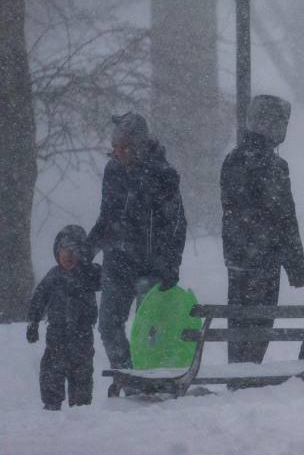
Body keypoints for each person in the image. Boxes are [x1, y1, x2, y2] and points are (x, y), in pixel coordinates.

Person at [87, 112, 187, 371]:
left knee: (150, 329)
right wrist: (88, 248)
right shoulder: (113, 171)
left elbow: (176, 225)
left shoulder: (162, 174)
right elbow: (107, 216)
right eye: (114, 148)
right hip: (116, 261)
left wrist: (171, 265)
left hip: (151, 267)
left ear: (139, 145)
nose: (117, 153)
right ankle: (128, 376)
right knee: (108, 325)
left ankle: (150, 375)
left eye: (123, 147)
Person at [220, 95, 304, 366]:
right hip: (265, 260)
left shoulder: (232, 160)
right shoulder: (274, 167)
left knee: (239, 321)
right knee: (260, 323)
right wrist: (295, 266)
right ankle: (246, 376)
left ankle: (237, 374)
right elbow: (285, 220)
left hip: (237, 259)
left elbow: (233, 211)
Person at [27, 226, 102, 410]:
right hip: (56, 337)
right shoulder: (53, 276)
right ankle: (51, 405)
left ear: (82, 253)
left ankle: (80, 407)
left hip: (82, 337)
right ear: (56, 251)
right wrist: (33, 322)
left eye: (74, 251)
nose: (68, 255)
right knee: (51, 372)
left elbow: (109, 279)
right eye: (64, 250)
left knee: (82, 375)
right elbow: (39, 299)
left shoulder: (89, 274)